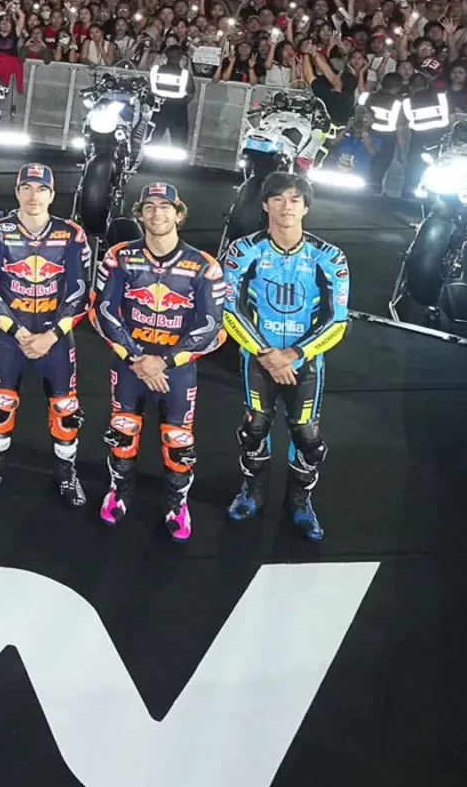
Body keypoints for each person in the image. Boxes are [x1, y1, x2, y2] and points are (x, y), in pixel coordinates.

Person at [217, 172, 351, 540]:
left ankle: (299, 502)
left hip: (306, 362)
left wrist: (292, 355)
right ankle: (252, 492)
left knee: (307, 436)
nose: (286, 207)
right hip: (258, 358)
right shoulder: (243, 251)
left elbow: (338, 321)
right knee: (254, 429)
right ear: (265, 205)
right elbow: (229, 310)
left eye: (295, 200)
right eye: (278, 199)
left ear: (306, 207)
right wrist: (267, 355)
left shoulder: (330, 257)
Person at [91, 182, 227, 540]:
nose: (156, 213)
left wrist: (163, 362)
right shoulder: (119, 256)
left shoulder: (204, 266)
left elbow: (211, 326)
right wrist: (137, 358)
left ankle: (177, 505)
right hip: (129, 365)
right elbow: (104, 310)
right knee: (122, 433)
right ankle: (118, 493)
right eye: (149, 207)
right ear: (140, 214)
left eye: (165, 207)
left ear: (179, 214)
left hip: (176, 370)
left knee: (178, 442)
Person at [0, 163, 95, 505]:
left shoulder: (72, 234)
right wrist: (19, 331)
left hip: (56, 338)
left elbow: (80, 291)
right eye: (26, 188)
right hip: (8, 336)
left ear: (52, 195)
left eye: (41, 189)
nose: (33, 195)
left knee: (66, 409)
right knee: (1, 405)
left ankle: (66, 471)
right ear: (16, 192)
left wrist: (51, 335)